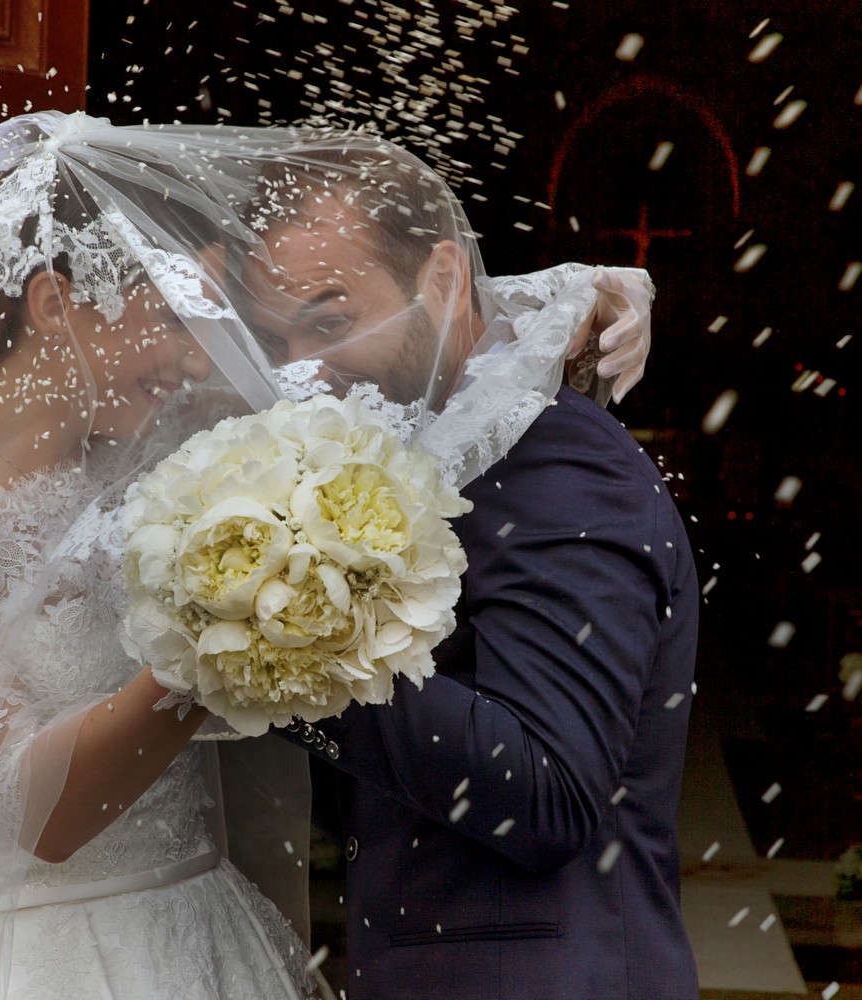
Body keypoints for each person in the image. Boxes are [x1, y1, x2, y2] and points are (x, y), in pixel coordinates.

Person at [0, 113, 649, 1000]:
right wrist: (222, 639)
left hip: (204, 931)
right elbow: (34, 807)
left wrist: (575, 298)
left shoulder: (147, 449)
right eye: (177, 318)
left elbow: (393, 326)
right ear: (55, 305)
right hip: (34, 962)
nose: (202, 360)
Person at [232, 136, 699, 998]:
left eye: (329, 321)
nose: (297, 372)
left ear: (444, 280)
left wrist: (286, 639)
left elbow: (548, 792)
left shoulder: (559, 459)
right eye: (272, 339)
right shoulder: (413, 449)